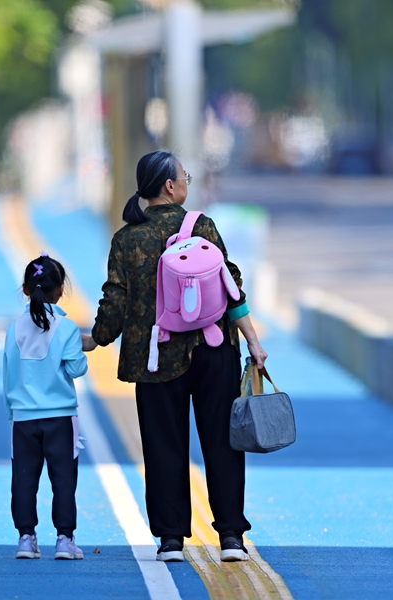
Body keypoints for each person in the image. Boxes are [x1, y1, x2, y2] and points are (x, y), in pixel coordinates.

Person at [81, 150, 268, 563]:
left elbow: (115, 299)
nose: (187, 180)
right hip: (213, 348)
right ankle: (232, 537)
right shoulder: (200, 226)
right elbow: (230, 285)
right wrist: (253, 342)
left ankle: (170, 540)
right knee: (222, 442)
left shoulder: (127, 238)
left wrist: (96, 338)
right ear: (170, 186)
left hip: (155, 358)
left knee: (164, 446)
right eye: (184, 175)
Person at [3, 255, 87, 560]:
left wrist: (12, 412)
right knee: (63, 479)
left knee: (24, 478)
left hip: (23, 418)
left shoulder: (14, 329)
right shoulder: (66, 328)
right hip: (61, 417)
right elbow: (76, 369)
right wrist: (80, 351)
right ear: (61, 290)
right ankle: (64, 539)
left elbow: (8, 372)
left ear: (25, 289)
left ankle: (26, 538)